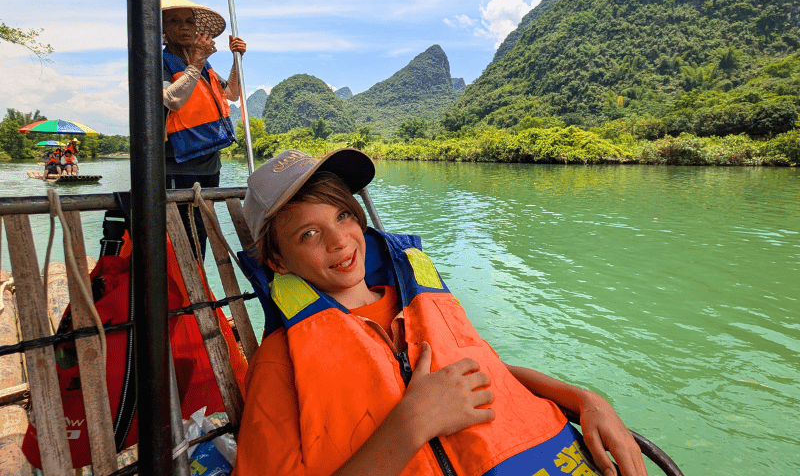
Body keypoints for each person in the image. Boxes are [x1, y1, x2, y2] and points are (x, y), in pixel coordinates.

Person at [234, 149, 648, 476]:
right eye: (309, 234)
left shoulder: (417, 303)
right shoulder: (280, 361)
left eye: (343, 215)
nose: (340, 241)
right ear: (278, 261)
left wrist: (586, 399)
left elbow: (484, 371)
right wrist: (412, 424)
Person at [161, 0, 246, 259]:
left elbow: (231, 93)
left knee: (203, 230)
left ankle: (199, 288)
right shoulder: (160, 63)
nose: (184, 27)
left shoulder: (204, 65)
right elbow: (170, 99)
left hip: (210, 165)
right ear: (163, 29)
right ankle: (185, 292)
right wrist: (195, 62)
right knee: (183, 235)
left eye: (189, 21)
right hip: (179, 165)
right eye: (175, 21)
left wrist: (237, 59)